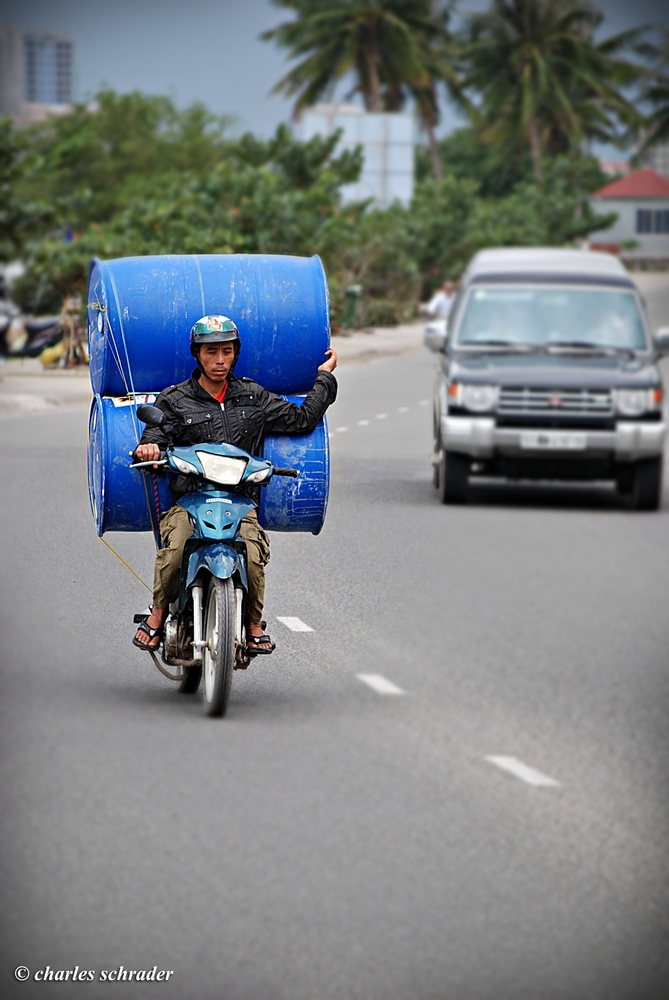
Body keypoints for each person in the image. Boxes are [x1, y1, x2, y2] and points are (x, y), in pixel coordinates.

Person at [132, 314, 337, 654]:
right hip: (190, 503)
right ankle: (158, 613)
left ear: (235, 353)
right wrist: (149, 448)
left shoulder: (253, 397)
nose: (220, 360)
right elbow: (154, 434)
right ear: (197, 354)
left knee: (253, 555)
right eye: (211, 352)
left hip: (240, 504)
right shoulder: (175, 399)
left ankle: (254, 624)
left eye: (226, 351)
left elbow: (301, 419)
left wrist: (325, 378)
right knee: (175, 549)